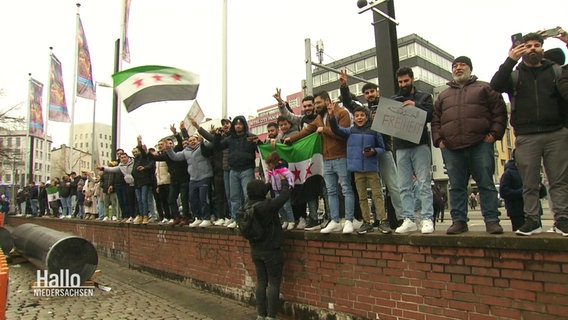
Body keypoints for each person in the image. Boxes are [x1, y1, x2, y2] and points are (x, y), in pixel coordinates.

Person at [490, 33, 568, 236]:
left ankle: (562, 219)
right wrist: (510, 59)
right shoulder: (515, 75)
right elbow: (495, 85)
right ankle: (532, 220)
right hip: (526, 134)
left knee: (558, 180)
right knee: (529, 182)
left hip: (556, 132)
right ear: (521, 49)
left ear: (542, 48)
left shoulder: (555, 71)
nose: (532, 49)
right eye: (528, 46)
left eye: (536, 45)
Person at [432, 56, 507, 235]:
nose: (458, 68)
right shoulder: (443, 95)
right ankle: (458, 221)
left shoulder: (485, 87)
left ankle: (491, 220)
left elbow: (499, 111)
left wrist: (493, 135)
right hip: (451, 147)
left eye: (462, 65)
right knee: (456, 185)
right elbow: (436, 120)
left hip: (480, 144)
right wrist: (439, 141)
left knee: (486, 183)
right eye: (455, 66)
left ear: (470, 69)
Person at [285, 90, 355, 234]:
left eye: (318, 103)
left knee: (346, 189)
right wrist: (290, 139)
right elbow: (306, 131)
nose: (316, 106)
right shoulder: (319, 117)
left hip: (341, 156)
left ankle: (348, 220)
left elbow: (344, 134)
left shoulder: (342, 113)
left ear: (327, 101)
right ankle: (334, 220)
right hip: (326, 159)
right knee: (331, 191)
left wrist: (324, 130)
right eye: (315, 103)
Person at [339, 74, 404, 228]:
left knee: (393, 185)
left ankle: (403, 217)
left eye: (372, 92)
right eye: (366, 93)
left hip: (384, 151)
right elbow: (348, 102)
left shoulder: (386, 106)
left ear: (377, 91)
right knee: (375, 190)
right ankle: (377, 219)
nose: (369, 95)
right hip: (367, 156)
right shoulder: (363, 111)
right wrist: (344, 86)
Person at [328, 105, 392, 234]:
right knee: (362, 197)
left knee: (377, 195)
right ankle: (366, 222)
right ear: (354, 119)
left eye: (362, 115)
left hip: (372, 168)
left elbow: (382, 148)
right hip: (357, 170)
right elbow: (336, 129)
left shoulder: (374, 131)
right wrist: (331, 116)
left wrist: (373, 151)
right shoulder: (350, 131)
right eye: (357, 116)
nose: (359, 118)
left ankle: (383, 221)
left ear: (367, 117)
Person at [387, 67, 435, 234]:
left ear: (412, 79)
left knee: (423, 183)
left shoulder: (424, 97)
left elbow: (431, 114)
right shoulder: (394, 99)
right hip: (401, 147)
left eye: (406, 81)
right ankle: (408, 218)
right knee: (404, 186)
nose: (403, 84)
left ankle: (427, 218)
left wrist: (416, 106)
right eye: (400, 82)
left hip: (420, 145)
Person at [274, 90, 324, 231]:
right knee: (307, 189)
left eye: (310, 105)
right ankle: (311, 218)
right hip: (304, 160)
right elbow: (287, 115)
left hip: (320, 156)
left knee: (322, 190)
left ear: (314, 106)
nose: (308, 108)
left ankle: (325, 218)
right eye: (305, 106)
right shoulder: (301, 120)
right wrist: (280, 102)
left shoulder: (321, 118)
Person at [244, 175, 291, 320]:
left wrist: (269, 184)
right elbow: (284, 196)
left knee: (261, 282)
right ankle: (271, 315)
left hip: (255, 250)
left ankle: (261, 314)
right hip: (271, 249)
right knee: (274, 283)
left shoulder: (246, 207)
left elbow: (260, 191)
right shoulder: (267, 206)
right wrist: (283, 181)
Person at [214, 116, 258, 228]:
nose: (238, 126)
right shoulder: (230, 139)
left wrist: (261, 142)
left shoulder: (251, 137)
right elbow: (217, 146)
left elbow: (261, 148)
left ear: (244, 125)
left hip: (247, 169)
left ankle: (248, 219)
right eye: (236, 124)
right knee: (234, 197)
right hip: (233, 170)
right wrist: (217, 135)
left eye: (240, 124)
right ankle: (235, 219)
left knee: (248, 195)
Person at [167, 124, 214, 228]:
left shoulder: (203, 147)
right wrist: (169, 149)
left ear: (197, 141)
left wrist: (204, 138)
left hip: (204, 176)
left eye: (194, 140)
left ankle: (206, 218)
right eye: (190, 140)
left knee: (203, 199)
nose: (192, 141)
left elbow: (212, 143)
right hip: (193, 179)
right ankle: (197, 217)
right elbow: (175, 157)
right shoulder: (186, 151)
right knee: (193, 199)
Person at [263, 151, 295, 230]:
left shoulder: (282, 170)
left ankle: (291, 220)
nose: (267, 166)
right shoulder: (271, 171)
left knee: (287, 206)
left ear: (273, 163)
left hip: (283, 190)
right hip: (276, 191)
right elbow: (268, 179)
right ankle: (285, 220)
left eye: (269, 165)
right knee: (279, 207)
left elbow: (291, 176)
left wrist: (290, 185)